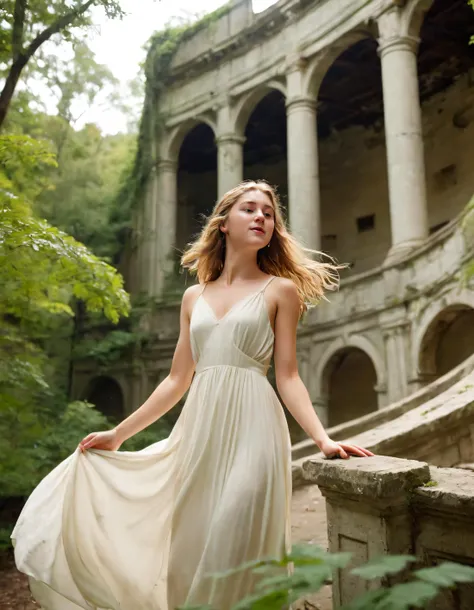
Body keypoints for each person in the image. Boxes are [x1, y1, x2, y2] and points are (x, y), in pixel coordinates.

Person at [11, 180, 373, 610]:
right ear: (223, 224)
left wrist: (322, 439)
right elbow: (176, 380)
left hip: (256, 427)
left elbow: (288, 376)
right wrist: (119, 434)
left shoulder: (281, 291)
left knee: (236, 534)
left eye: (269, 213)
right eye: (250, 209)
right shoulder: (192, 297)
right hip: (199, 431)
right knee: (189, 545)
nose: (262, 217)